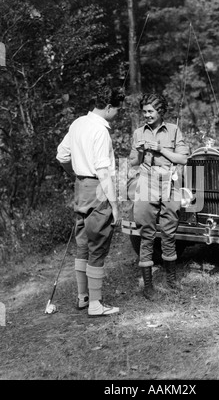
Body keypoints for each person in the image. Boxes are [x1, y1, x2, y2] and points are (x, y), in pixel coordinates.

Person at [56, 85, 125, 317]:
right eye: (117, 110)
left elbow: (61, 155)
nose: (117, 114)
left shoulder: (77, 123)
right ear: (107, 107)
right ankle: (95, 305)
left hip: (80, 187)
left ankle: (82, 297)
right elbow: (103, 172)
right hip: (97, 189)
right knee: (97, 246)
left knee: (83, 244)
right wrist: (115, 206)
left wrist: (76, 174)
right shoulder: (100, 131)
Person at [129, 93, 189, 300]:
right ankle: (148, 287)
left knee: (169, 232)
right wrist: (138, 152)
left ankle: (171, 281)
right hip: (146, 181)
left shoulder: (173, 130)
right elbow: (133, 162)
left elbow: (183, 158)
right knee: (146, 233)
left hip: (170, 182)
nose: (146, 115)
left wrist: (160, 149)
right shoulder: (138, 133)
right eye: (144, 111)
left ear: (160, 111)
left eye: (150, 111)